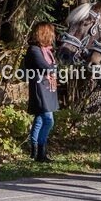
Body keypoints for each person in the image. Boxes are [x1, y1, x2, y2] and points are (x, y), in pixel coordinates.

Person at [23, 21, 59, 162]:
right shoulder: (34, 50)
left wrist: (53, 68)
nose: (53, 36)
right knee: (49, 120)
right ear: (44, 34)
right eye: (51, 33)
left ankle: (37, 153)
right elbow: (47, 67)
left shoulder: (47, 50)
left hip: (47, 88)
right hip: (40, 89)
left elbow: (53, 68)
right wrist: (53, 68)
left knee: (40, 119)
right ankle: (39, 150)